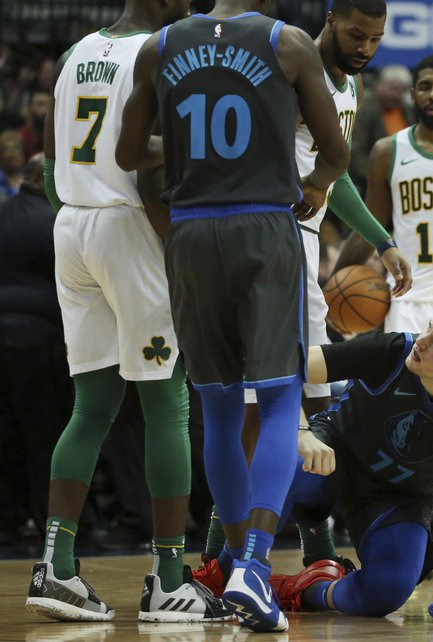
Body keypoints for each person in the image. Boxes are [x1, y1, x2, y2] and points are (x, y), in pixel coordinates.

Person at [116, 0, 351, 632]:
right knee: (278, 398)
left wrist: (196, 147)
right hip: (262, 227)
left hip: (191, 232)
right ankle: (251, 565)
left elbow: (129, 153)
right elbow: (336, 152)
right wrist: (316, 185)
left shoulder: (157, 47)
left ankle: (231, 562)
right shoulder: (288, 42)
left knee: (218, 405)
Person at [25, 0, 232, 625]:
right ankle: (169, 579)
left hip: (72, 226)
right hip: (130, 226)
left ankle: (56, 567)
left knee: (91, 407)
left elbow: (50, 171)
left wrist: (82, 213)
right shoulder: (159, 50)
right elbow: (148, 163)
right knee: (168, 403)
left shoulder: (73, 55)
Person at [200, 0, 412, 594]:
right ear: (329, 19)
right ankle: (229, 554)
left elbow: (334, 172)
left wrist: (380, 241)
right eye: (355, 33)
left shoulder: (352, 82)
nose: (365, 45)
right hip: (265, 247)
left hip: (304, 253)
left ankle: (315, 547)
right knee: (256, 413)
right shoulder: (286, 63)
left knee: (317, 405)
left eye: (375, 37)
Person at [333, 52, 433, 563]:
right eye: (423, 86)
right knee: (396, 415)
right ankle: (407, 513)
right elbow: (372, 227)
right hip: (405, 300)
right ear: (412, 94)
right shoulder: (389, 151)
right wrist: (333, 286)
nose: (432, 95)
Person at [0, 154, 71, 544]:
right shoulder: (52, 221)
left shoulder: (5, 210)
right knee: (43, 432)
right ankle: (50, 518)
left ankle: (9, 517)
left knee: (6, 430)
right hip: (35, 340)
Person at [349, 64, 415, 191]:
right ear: (379, 85)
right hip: (372, 180)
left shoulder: (406, 110)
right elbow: (356, 152)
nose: (396, 95)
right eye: (392, 89)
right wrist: (380, 175)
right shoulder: (365, 110)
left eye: (401, 90)